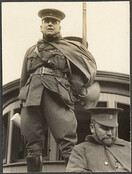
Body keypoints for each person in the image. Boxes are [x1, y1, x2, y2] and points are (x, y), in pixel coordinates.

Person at [18, 8, 100, 172]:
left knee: (67, 142)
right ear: (41, 26)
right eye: (46, 21)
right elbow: (24, 77)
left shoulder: (70, 48)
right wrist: (23, 98)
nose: (50, 23)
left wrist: (74, 91)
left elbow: (81, 74)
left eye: (54, 22)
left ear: (59, 27)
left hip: (57, 95)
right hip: (32, 97)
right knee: (32, 144)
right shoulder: (31, 50)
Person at [66, 107, 131, 172]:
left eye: (112, 128)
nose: (109, 133)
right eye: (104, 128)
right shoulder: (80, 150)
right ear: (92, 128)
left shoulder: (128, 146)